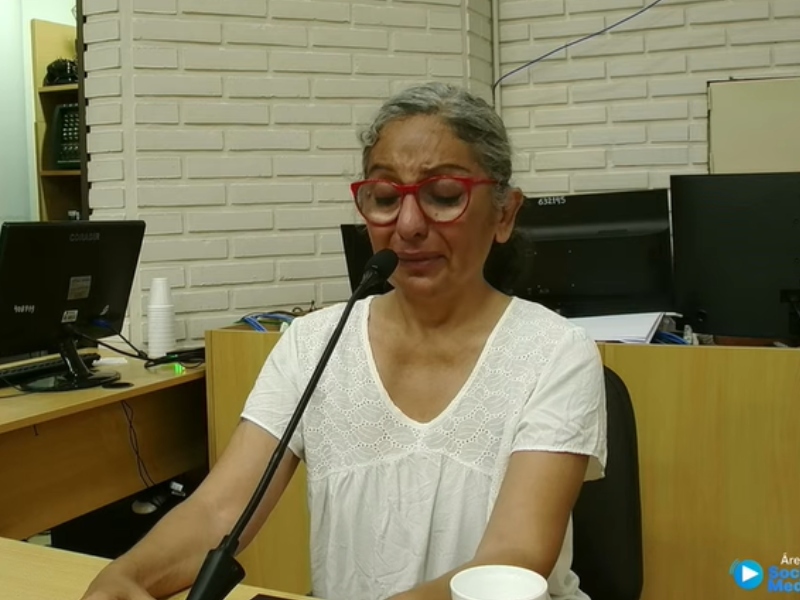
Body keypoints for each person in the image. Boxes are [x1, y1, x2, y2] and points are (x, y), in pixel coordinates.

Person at [80, 82, 607, 600]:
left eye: (444, 196)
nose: (408, 225)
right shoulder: (312, 343)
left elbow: (512, 560)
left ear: (504, 213)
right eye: (385, 197)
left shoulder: (554, 351)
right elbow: (219, 509)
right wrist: (127, 577)